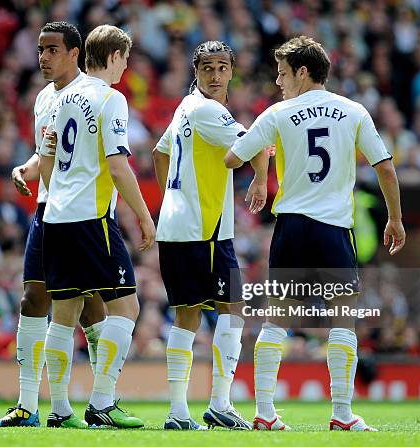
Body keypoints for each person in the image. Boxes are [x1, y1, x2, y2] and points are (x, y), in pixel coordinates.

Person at [225, 36, 406, 432]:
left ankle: (264, 413)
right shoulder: (354, 111)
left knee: (277, 319)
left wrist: (260, 169)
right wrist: (395, 218)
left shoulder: (278, 113)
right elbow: (386, 168)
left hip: (291, 227)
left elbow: (231, 156)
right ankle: (342, 414)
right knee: (344, 320)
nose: (278, 80)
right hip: (333, 230)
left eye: (283, 73)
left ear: (303, 72)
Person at [38, 24, 156, 429]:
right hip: (90, 218)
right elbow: (118, 166)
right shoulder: (111, 99)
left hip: (55, 216)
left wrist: (59, 197)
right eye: (125, 58)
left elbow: (46, 157)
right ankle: (102, 402)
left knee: (64, 313)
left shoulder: (61, 97)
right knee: (127, 305)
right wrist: (143, 215)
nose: (126, 66)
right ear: (113, 57)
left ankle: (58, 410)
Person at [0, 21, 106, 429]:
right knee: (32, 299)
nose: (43, 57)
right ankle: (27, 404)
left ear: (75, 53)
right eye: (40, 50)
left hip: (82, 217)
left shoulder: (92, 96)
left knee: (91, 309)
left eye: (52, 49)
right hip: (47, 211)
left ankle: (100, 401)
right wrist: (27, 167)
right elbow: (48, 153)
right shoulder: (43, 98)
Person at [153, 41, 269, 430]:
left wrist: (172, 195)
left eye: (222, 67)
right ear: (196, 71)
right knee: (232, 311)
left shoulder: (184, 108)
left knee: (187, 316)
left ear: (232, 72)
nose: (215, 75)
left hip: (180, 226)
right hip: (205, 230)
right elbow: (254, 145)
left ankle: (179, 412)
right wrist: (260, 178)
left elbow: (158, 153)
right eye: (208, 68)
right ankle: (219, 402)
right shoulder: (208, 110)